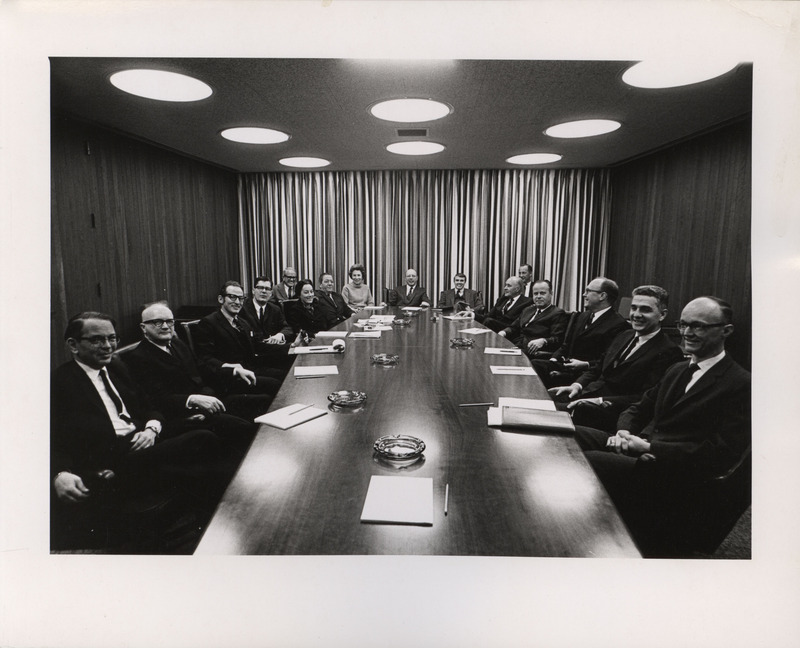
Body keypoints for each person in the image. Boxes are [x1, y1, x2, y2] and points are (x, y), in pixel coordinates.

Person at [574, 296, 751, 556]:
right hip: (641, 447)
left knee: (586, 461)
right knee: (570, 435)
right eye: (683, 324)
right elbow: (637, 408)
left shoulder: (741, 383)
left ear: (726, 331)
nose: (687, 333)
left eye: (698, 326)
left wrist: (649, 446)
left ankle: (582, 536)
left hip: (674, 473)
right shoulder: (677, 369)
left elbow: (719, 453)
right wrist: (624, 431)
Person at [51, 312, 221, 550]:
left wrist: (152, 428)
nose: (108, 346)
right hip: (115, 458)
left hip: (144, 439)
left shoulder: (116, 368)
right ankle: (211, 525)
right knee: (203, 441)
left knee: (210, 428)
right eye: (97, 340)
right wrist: (60, 473)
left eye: (112, 338)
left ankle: (206, 525)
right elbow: (47, 438)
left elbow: (149, 406)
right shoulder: (61, 382)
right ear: (73, 345)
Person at [548, 285, 684, 430]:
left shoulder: (669, 351)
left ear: (662, 315)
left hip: (611, 412)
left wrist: (600, 401)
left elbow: (645, 397)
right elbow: (598, 368)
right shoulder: (624, 335)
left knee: (547, 415)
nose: (636, 314)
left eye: (645, 309)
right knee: (541, 401)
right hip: (587, 394)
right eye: (634, 308)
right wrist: (576, 385)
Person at [124, 301, 265, 435]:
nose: (166, 326)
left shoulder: (177, 344)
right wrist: (192, 400)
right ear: (143, 327)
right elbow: (155, 400)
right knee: (246, 428)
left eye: (170, 321)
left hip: (210, 400)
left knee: (263, 401)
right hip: (185, 415)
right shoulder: (138, 357)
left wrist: (234, 370)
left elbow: (201, 368)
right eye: (158, 322)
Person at [531, 276, 629, 387]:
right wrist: (553, 359)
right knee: (534, 365)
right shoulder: (583, 316)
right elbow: (566, 344)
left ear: (602, 296)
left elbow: (608, 360)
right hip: (566, 365)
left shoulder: (618, 324)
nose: (583, 295)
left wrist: (586, 364)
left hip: (586, 373)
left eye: (588, 291)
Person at [193, 281, 285, 396]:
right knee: (275, 385)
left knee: (285, 375)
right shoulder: (208, 323)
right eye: (232, 297)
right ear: (221, 299)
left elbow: (258, 346)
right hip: (229, 377)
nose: (237, 302)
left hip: (249, 369)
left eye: (241, 298)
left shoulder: (243, 322)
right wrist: (232, 369)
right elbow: (205, 359)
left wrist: (292, 347)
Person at [239, 276, 295, 371]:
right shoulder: (242, 309)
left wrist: (279, 335)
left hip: (272, 356)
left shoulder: (275, 309)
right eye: (260, 288)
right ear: (253, 290)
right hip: (251, 359)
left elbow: (288, 328)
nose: (264, 291)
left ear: (271, 293)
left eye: (268, 289)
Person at [498, 279, 567, 356]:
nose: (538, 297)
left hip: (533, 352)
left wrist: (544, 341)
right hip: (515, 346)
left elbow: (557, 339)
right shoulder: (528, 309)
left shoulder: (557, 313)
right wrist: (503, 332)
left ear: (551, 294)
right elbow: (514, 327)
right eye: (535, 294)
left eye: (542, 293)